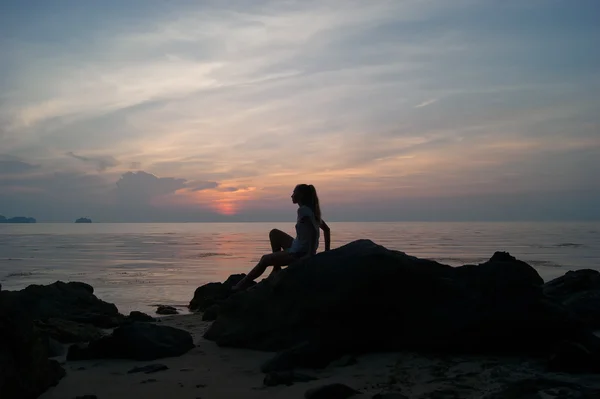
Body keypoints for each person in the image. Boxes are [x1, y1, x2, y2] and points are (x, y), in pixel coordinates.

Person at [232, 184, 331, 291]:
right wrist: (326, 251)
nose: (291, 195)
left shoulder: (303, 211)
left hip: (298, 253)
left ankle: (240, 286)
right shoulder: (312, 211)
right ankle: (276, 268)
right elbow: (327, 230)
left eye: (294, 193)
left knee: (264, 259)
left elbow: (313, 232)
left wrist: (310, 254)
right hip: (297, 246)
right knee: (274, 233)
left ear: (301, 195)